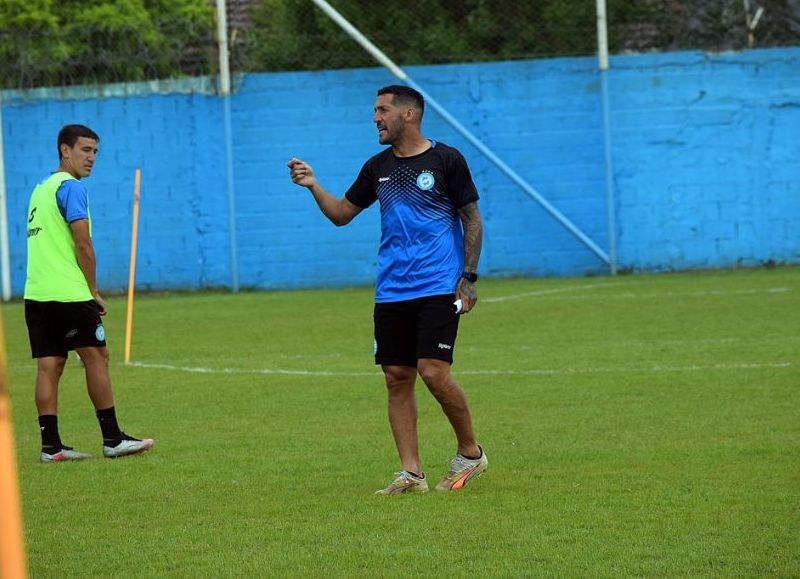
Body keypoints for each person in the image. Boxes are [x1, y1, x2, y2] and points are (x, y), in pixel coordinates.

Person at [288, 85, 487, 494]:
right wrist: (313, 185)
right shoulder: (376, 167)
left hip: (437, 285)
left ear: (409, 114)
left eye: (382, 110)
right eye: (375, 110)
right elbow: (342, 214)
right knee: (397, 376)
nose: (375, 118)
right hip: (392, 290)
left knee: (433, 372)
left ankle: (470, 452)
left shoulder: (447, 159)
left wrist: (468, 277)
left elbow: (472, 218)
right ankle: (411, 473)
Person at [24, 124, 154, 463]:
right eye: (85, 150)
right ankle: (113, 439)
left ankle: (50, 447)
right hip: (68, 292)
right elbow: (83, 243)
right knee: (97, 356)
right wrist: (93, 289)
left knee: (49, 365)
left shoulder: (41, 189)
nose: (91, 158)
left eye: (95, 151)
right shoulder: (71, 188)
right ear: (65, 151)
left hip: (36, 293)